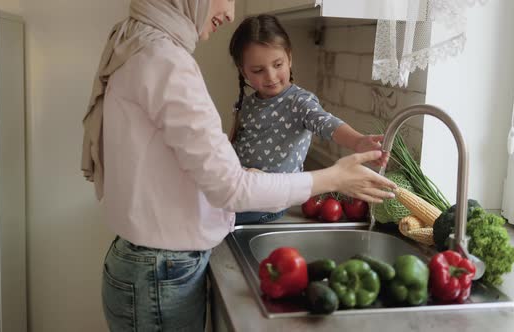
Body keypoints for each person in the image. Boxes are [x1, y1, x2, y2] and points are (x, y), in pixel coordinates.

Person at [81, 1, 396, 331]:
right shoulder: (164, 62)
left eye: (277, 65)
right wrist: (333, 177)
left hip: (150, 267)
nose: (231, 13)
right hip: (160, 272)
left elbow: (203, 168)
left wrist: (354, 145)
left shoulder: (139, 45)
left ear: (289, 59)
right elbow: (231, 187)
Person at [229, 14, 386, 225]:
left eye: (278, 65)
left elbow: (326, 123)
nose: (271, 76)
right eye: (258, 70)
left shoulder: (299, 102)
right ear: (243, 71)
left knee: (213, 216)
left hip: (271, 203)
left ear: (289, 58)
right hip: (245, 191)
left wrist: (358, 141)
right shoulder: (246, 104)